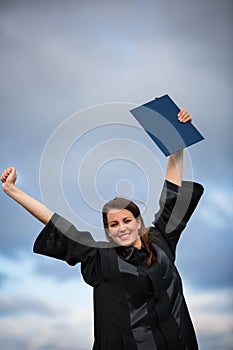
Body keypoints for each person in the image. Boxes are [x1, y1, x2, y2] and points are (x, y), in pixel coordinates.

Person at [1, 108, 204, 350]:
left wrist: (176, 141)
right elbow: (59, 224)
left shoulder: (161, 241)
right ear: (108, 232)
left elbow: (171, 191)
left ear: (139, 222)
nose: (122, 228)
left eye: (127, 221)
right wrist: (13, 191)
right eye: (114, 224)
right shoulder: (101, 257)